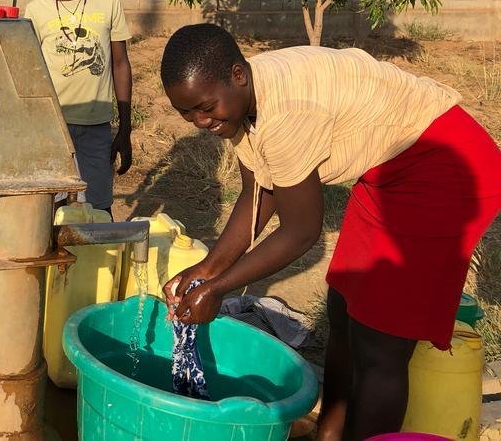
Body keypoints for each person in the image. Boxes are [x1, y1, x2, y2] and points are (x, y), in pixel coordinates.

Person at [159, 23, 501, 441]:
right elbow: (258, 194)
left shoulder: (287, 114)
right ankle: (330, 433)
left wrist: (218, 288)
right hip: (388, 169)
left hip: (443, 168)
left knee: (380, 344)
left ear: (237, 75)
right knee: (344, 309)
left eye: (205, 108)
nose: (201, 121)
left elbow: (301, 232)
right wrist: (206, 269)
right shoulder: (241, 98)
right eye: (187, 113)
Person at [24, 0, 133, 215]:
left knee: (100, 206)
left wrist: (125, 128)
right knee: (53, 206)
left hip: (96, 126)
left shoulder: (108, 1)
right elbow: (31, 72)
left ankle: (100, 245)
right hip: (52, 126)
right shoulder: (36, 10)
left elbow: (120, 64)